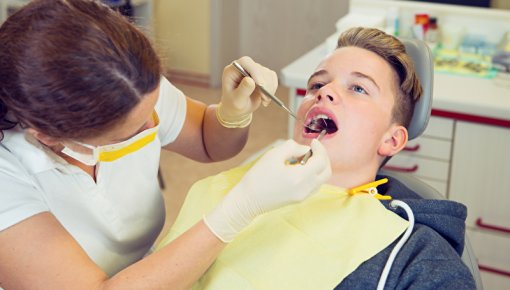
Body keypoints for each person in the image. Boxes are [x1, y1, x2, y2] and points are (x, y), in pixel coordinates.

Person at [0, 0, 331, 289]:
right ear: (48, 135)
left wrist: (232, 113)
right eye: (131, 131)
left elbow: (207, 141)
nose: (153, 126)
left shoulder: (131, 84)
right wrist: (238, 209)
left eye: (154, 108)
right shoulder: (7, 176)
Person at [159, 27, 477, 289]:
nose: (323, 93)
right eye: (317, 85)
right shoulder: (242, 186)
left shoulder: (415, 253)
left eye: (359, 88)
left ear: (392, 140)